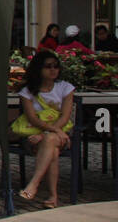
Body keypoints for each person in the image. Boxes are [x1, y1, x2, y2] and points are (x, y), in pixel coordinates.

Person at [17, 50, 76, 207]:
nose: (53, 70)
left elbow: (64, 117)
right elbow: (32, 118)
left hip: (54, 133)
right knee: (52, 150)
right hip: (35, 135)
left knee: (49, 140)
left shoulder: (66, 88)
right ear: (39, 69)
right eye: (48, 66)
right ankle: (52, 196)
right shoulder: (27, 91)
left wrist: (45, 134)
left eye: (56, 66)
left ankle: (34, 183)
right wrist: (48, 133)